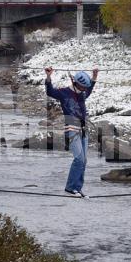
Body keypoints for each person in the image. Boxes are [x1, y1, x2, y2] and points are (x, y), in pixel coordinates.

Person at [44, 66, 99, 198]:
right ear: (76, 84)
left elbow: (89, 88)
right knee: (79, 159)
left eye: (85, 88)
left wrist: (94, 77)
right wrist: (48, 76)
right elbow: (50, 92)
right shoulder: (63, 93)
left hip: (83, 129)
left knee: (84, 160)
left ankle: (77, 188)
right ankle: (70, 188)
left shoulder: (83, 93)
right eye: (83, 88)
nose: (85, 90)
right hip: (72, 128)